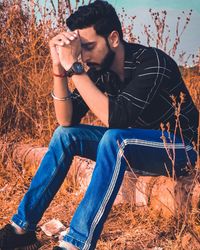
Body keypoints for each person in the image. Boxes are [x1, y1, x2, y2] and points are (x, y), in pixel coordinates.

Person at [0, 1, 198, 249]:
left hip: (179, 149)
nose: (82, 55)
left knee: (116, 137)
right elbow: (66, 120)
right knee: (65, 135)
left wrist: (75, 67)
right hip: (130, 147)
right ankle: (21, 230)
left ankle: (76, 243)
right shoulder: (97, 69)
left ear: (113, 38)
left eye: (88, 47)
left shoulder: (152, 62)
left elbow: (118, 119)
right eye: (78, 49)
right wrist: (58, 68)